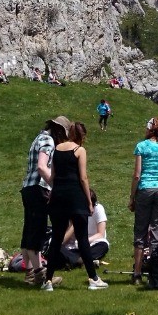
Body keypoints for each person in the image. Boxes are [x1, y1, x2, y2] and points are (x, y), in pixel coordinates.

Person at [43, 122, 108, 291]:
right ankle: (93, 278)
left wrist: (52, 194)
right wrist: (88, 201)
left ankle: (47, 281)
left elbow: (54, 175)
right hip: (75, 197)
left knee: (57, 238)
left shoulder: (57, 149)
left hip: (58, 197)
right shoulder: (79, 150)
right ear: (82, 136)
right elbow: (83, 178)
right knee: (82, 238)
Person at [19, 116, 70, 285]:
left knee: (28, 230)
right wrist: (55, 186)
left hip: (27, 188)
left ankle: (29, 273)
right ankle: (41, 275)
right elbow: (42, 166)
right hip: (38, 189)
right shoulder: (48, 141)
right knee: (38, 231)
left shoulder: (38, 138)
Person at [128, 117, 158, 285]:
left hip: (145, 190)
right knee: (157, 231)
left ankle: (137, 273)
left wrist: (132, 196)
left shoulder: (141, 146)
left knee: (140, 230)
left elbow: (137, 174)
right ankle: (155, 274)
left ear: (149, 129)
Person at [60, 188, 109, 268]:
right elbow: (61, 241)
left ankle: (77, 260)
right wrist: (73, 225)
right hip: (72, 247)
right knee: (56, 248)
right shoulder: (69, 211)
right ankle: (82, 260)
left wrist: (84, 242)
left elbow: (100, 234)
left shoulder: (98, 209)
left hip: (92, 242)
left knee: (103, 245)